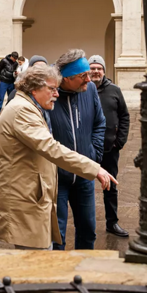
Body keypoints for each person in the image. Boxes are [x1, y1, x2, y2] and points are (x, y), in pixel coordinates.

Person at [0, 63, 116, 250]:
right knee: (36, 264)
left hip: (32, 199)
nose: (56, 94)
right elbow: (51, 148)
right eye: (52, 89)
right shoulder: (21, 110)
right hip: (25, 202)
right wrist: (94, 167)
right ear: (34, 88)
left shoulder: (29, 106)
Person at [49, 50, 106, 250]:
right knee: (57, 234)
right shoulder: (50, 94)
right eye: (83, 76)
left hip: (85, 174)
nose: (89, 80)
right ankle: (59, 277)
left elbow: (100, 122)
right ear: (67, 78)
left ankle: (85, 272)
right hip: (57, 178)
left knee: (88, 230)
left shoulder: (89, 90)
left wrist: (94, 154)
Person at [88, 55, 129, 238]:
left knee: (110, 187)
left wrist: (119, 141)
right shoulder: (82, 90)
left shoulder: (114, 91)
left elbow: (125, 116)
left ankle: (112, 223)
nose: (96, 71)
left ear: (104, 71)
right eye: (93, 68)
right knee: (84, 186)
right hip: (86, 149)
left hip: (109, 148)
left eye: (99, 68)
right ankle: (86, 223)